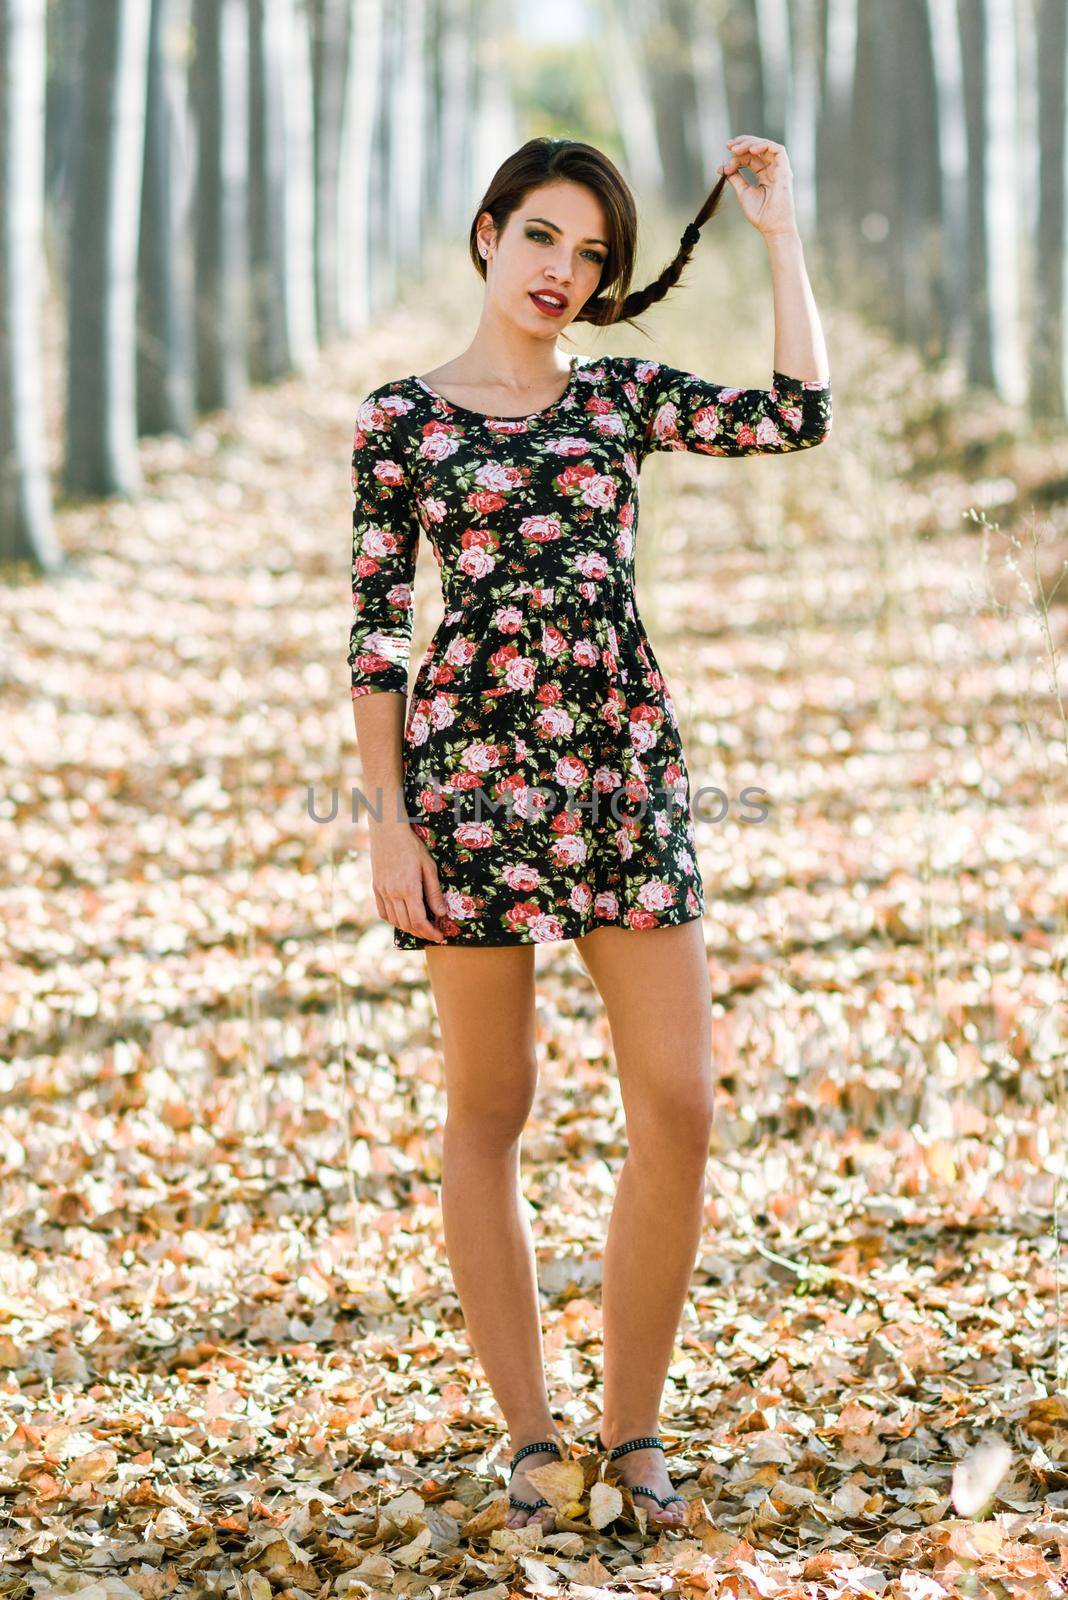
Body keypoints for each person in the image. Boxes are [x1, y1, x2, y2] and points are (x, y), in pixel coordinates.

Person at [348, 135, 831, 1533]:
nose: (566, 273)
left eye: (595, 256)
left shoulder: (618, 397)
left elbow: (796, 414)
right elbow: (379, 637)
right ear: (491, 232)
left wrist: (779, 238)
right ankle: (533, 1443)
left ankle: (633, 1438)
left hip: (622, 772)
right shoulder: (402, 421)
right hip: (472, 784)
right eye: (546, 239)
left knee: (679, 1103)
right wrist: (390, 828)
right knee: (492, 1107)